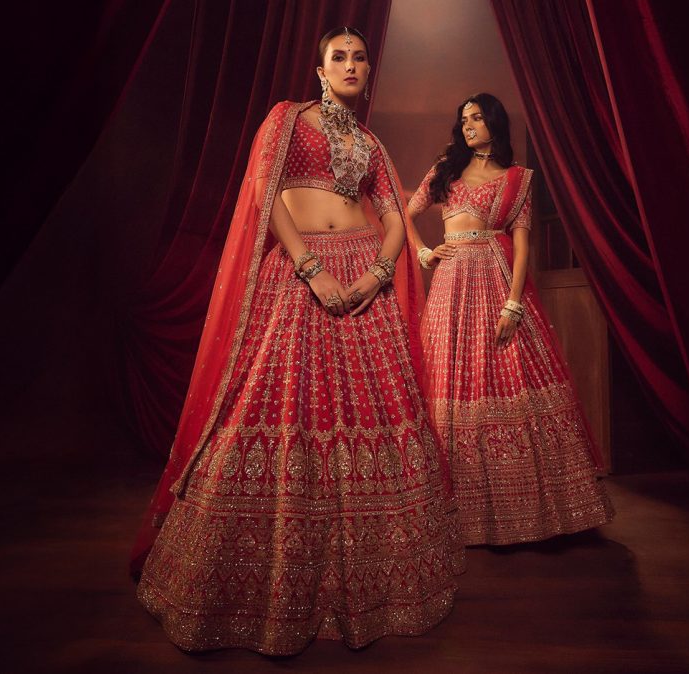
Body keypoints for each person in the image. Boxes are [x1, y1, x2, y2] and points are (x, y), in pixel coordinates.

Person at [130, 27, 464, 655]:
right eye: (339, 56)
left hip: (367, 281)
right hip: (302, 277)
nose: (351, 65)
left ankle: (375, 582)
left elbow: (394, 218)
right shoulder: (287, 120)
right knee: (283, 410)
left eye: (360, 57)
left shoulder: (368, 142)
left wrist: (373, 274)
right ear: (318, 70)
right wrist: (311, 269)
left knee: (376, 419)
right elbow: (262, 194)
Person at [407, 93, 614, 546]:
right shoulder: (446, 169)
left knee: (505, 375)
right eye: (463, 119)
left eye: (477, 118)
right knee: (449, 380)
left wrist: (513, 303)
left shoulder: (517, 180)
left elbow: (522, 245)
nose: (468, 126)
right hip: (450, 284)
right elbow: (406, 213)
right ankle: (456, 509)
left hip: (495, 280)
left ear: (494, 124)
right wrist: (424, 251)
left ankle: (525, 509)